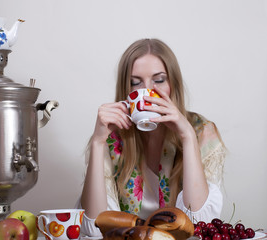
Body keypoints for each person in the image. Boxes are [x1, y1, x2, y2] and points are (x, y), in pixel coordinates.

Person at [76, 38, 227, 237]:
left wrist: (187, 136)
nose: (147, 92)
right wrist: (97, 142)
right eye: (135, 83)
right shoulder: (111, 138)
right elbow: (93, 228)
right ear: (126, 90)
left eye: (159, 80)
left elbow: (199, 225)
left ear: (173, 84)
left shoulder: (201, 131)